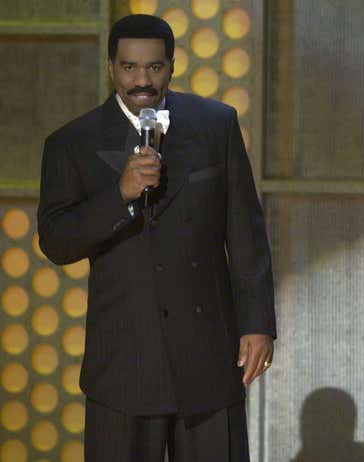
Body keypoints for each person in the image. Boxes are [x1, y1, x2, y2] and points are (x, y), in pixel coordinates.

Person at [37, 14, 276, 462]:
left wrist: (258, 321)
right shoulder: (72, 142)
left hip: (208, 354)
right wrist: (120, 195)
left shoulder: (216, 124)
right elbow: (56, 240)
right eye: (130, 68)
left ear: (171, 65)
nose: (142, 80)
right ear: (111, 67)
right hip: (124, 362)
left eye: (154, 67)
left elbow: (246, 230)